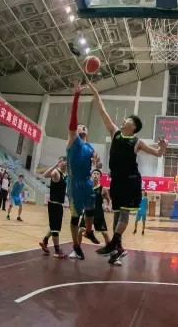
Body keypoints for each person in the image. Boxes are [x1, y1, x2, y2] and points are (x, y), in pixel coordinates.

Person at [87, 78, 167, 266]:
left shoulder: (137, 142)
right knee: (116, 216)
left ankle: (113, 244)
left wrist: (163, 147)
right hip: (116, 181)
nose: (124, 120)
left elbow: (157, 153)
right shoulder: (115, 132)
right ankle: (118, 249)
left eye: (128, 119)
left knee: (123, 215)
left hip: (131, 181)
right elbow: (103, 112)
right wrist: (95, 93)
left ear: (133, 126)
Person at [65, 82, 101, 261]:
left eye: (84, 126)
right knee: (75, 216)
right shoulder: (74, 140)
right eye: (79, 126)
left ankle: (89, 231)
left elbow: (97, 162)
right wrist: (77, 96)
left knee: (91, 209)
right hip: (74, 183)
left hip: (87, 181)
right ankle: (76, 245)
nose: (81, 126)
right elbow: (73, 120)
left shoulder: (90, 147)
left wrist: (98, 163)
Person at [39, 157, 68, 259]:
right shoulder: (56, 172)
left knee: (56, 227)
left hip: (59, 204)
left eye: (66, 161)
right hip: (54, 204)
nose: (65, 162)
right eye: (62, 161)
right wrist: (55, 165)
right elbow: (45, 175)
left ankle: (45, 241)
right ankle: (57, 251)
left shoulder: (65, 175)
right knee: (55, 228)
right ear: (59, 163)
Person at [84, 169, 111, 250]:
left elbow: (108, 200)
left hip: (98, 213)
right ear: (91, 176)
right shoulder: (86, 187)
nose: (95, 175)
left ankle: (110, 248)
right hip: (88, 212)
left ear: (100, 177)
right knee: (80, 230)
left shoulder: (103, 189)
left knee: (105, 233)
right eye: (94, 173)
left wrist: (108, 206)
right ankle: (77, 249)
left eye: (97, 174)